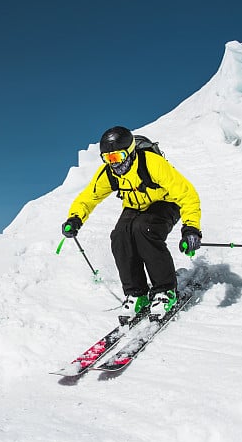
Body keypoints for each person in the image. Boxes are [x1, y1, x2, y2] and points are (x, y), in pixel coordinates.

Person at [61, 126, 202, 319]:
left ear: (129, 152)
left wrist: (191, 228)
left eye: (117, 157)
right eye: (108, 158)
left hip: (166, 203)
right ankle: (136, 294)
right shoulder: (109, 174)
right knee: (120, 235)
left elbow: (187, 194)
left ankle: (165, 291)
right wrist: (75, 218)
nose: (114, 163)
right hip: (136, 206)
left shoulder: (152, 164)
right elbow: (88, 197)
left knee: (144, 230)